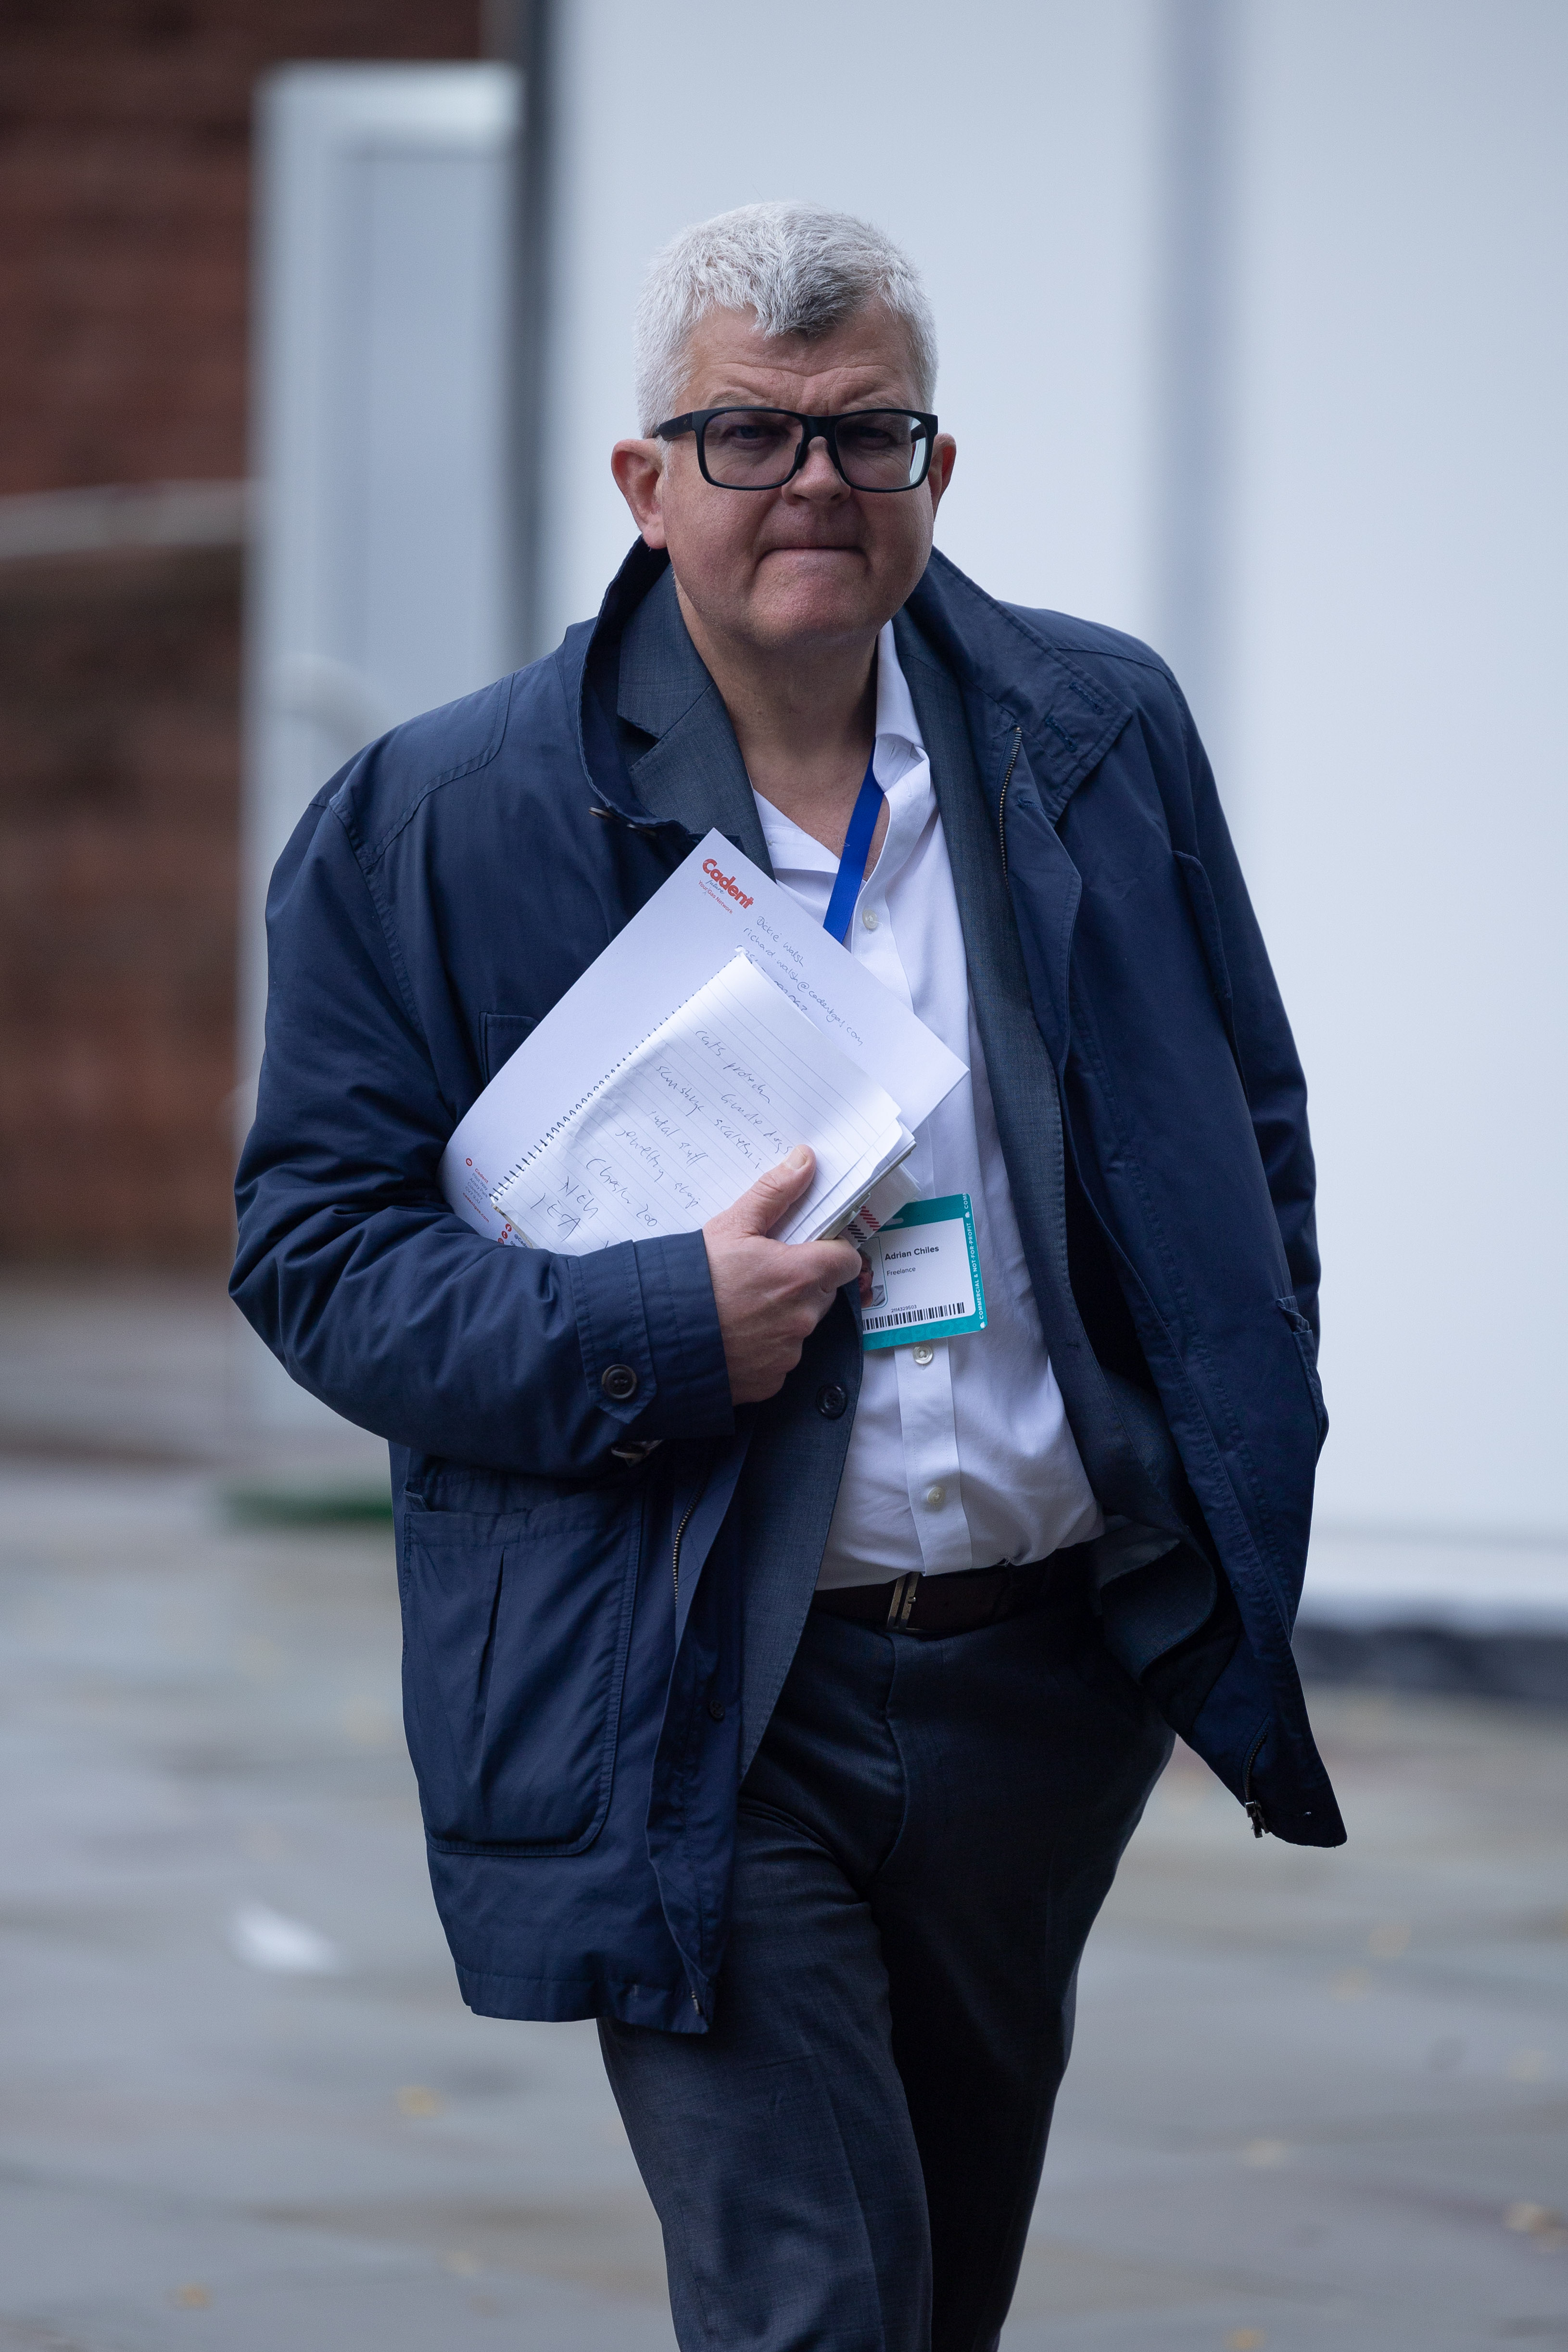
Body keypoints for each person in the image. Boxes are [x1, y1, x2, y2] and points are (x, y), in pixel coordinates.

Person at [233, 201, 1343, 2352]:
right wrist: (654, 1325)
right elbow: (314, 1256)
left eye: (868, 435)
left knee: (934, 2290)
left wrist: (1226, 1489)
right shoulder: (445, 818)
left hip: (1044, 1679)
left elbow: (1245, 1143)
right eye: (745, 435)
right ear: (644, 486)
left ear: (942, 472)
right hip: (698, 1687)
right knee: (817, 2302)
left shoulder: (1094, 738)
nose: (813, 483)